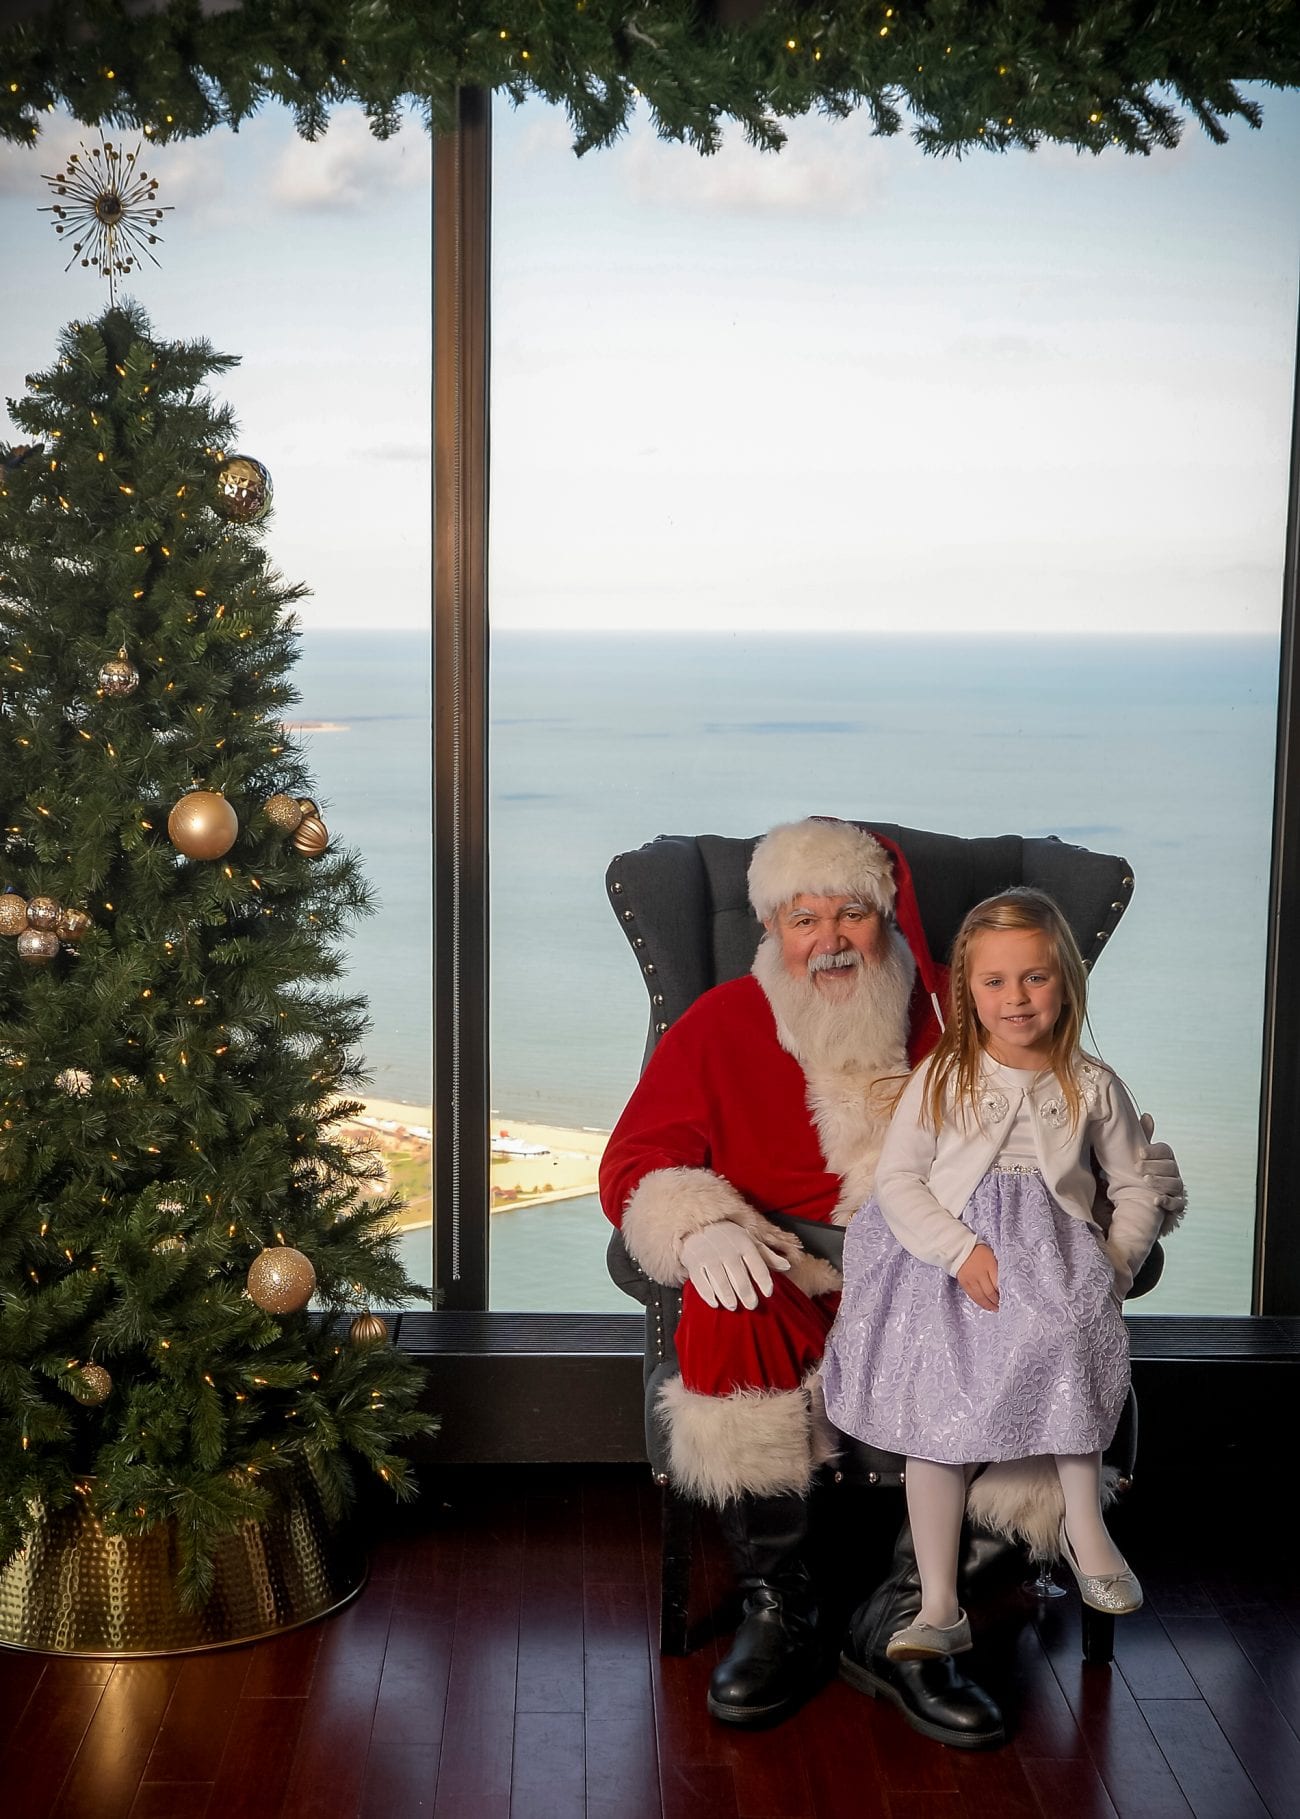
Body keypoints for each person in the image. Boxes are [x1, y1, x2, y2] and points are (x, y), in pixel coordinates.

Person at [599, 820, 1184, 1747]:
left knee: (1035, 1336)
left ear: (892, 917)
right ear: (771, 927)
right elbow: (635, 1160)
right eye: (803, 918)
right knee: (727, 1308)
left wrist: (1128, 1209)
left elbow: (1075, 1137)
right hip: (795, 1271)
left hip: (941, 1274)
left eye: (853, 913)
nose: (829, 939)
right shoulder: (719, 1024)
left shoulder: (966, 1011)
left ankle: (910, 1617)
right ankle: (780, 1605)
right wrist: (695, 1222)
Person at [822, 887, 1182, 1704]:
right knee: (934, 1407)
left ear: (1066, 983)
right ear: (968, 990)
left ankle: (1087, 1529)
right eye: (995, 981)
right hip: (949, 1261)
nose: (1016, 997)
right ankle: (939, 1604)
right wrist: (959, 1250)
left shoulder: (1091, 1083)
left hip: (1052, 1257)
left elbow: (1136, 1185)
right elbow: (899, 1180)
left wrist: (1115, 1266)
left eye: (1035, 977)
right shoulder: (945, 1075)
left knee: (1069, 1330)